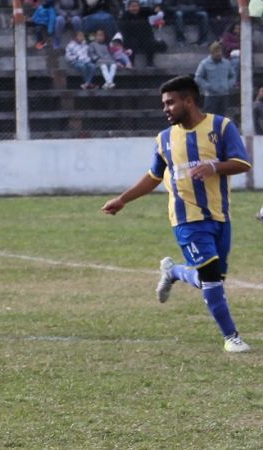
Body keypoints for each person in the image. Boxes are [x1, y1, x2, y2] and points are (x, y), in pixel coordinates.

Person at [101, 75, 252, 353]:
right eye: (164, 104)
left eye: (170, 103)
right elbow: (153, 176)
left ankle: (174, 272)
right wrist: (123, 199)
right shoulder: (164, 139)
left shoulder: (221, 127)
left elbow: (242, 163)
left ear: (189, 101)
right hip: (186, 219)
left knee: (214, 280)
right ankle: (231, 337)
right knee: (210, 277)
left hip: (220, 216)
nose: (166, 109)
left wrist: (214, 167)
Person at [119, 0, 167, 68]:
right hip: (132, 38)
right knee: (131, 44)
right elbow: (124, 30)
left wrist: (156, 8)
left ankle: (150, 63)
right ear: (128, 8)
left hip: (145, 37)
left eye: (136, 6)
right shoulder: (125, 16)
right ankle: (131, 63)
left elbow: (154, 11)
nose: (134, 8)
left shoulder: (144, 12)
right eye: (132, 7)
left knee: (150, 43)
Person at [195, 42, 236, 116]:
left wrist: (228, 85)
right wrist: (208, 86)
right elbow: (198, 77)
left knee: (222, 117)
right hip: (211, 96)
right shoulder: (204, 63)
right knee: (209, 117)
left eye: (220, 51)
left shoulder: (226, 63)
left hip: (224, 95)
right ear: (211, 53)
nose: (218, 54)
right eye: (216, 52)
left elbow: (233, 76)